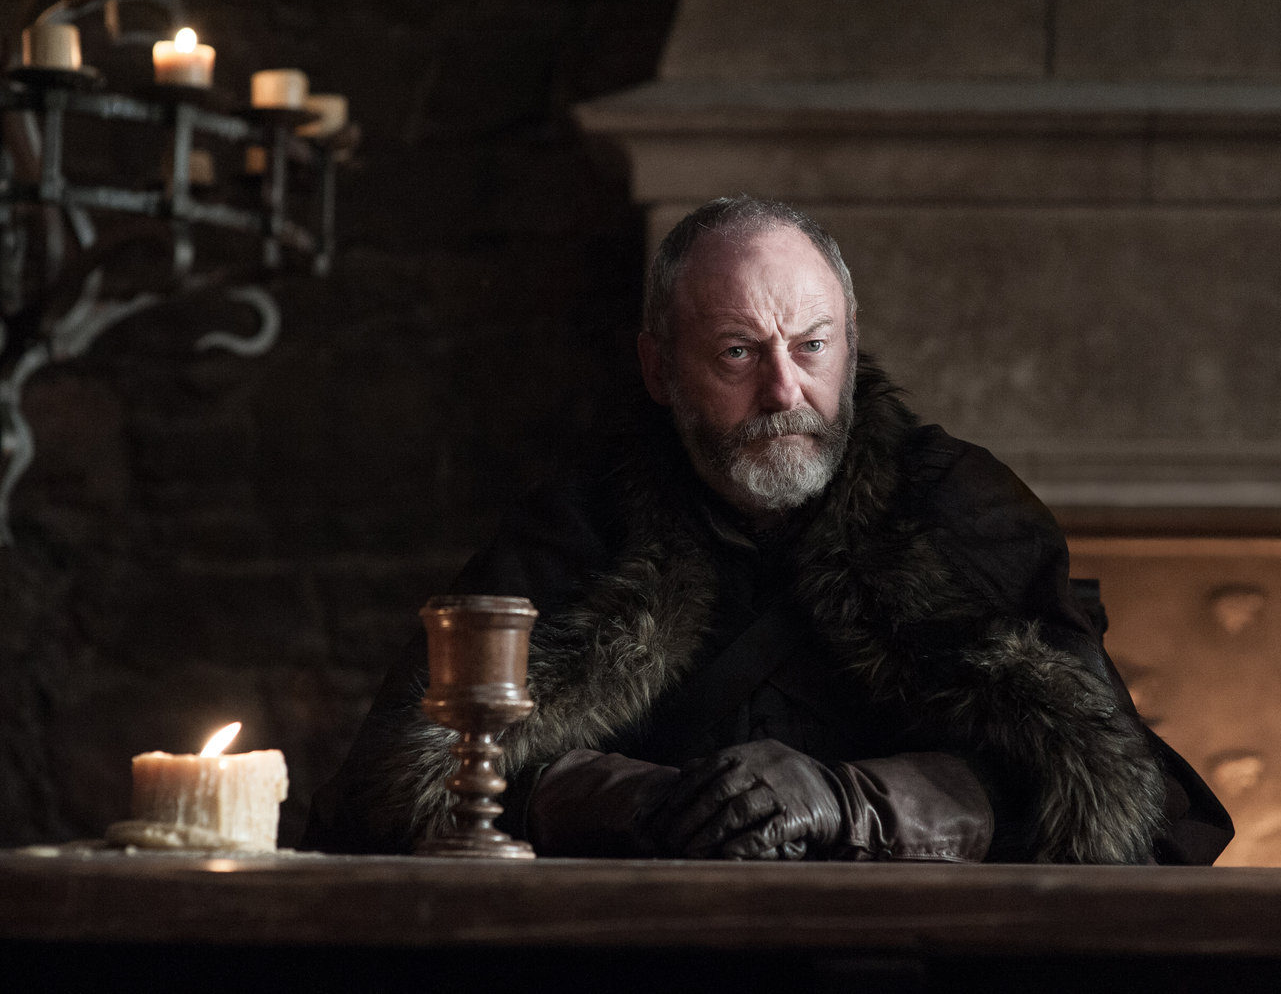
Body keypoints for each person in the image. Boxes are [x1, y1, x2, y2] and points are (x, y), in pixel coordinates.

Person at [303, 196, 1232, 864]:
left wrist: (855, 803)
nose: (785, 392)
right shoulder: (578, 521)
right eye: (738, 352)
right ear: (660, 368)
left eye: (811, 347)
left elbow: (1125, 803)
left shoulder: (960, 506)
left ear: (850, 349)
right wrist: (636, 800)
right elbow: (400, 790)